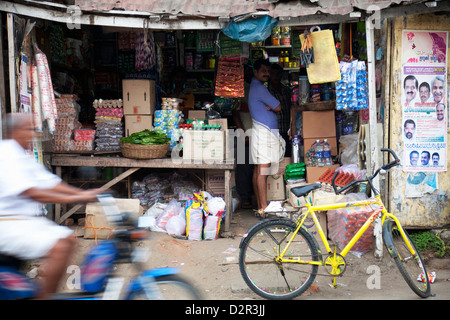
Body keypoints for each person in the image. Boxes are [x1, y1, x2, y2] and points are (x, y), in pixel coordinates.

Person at [0, 113, 102, 299]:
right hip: (7, 223)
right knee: (61, 245)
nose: (33, 134)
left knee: (68, 239)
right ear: (15, 131)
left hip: (22, 222)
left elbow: (49, 182)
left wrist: (82, 194)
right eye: (29, 130)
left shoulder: (22, 155)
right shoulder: (6, 154)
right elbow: (31, 191)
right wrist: (75, 198)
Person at [248, 59, 285, 217]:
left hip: (261, 132)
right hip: (264, 133)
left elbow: (274, 106)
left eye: (267, 71)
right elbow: (278, 106)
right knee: (262, 171)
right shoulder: (259, 88)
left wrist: (270, 107)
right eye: (262, 70)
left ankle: (261, 206)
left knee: (258, 171)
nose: (266, 73)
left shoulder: (256, 87)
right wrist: (271, 107)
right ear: (255, 72)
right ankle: (264, 208)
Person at [232, 63, 255, 209]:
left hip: (257, 134)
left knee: (255, 167)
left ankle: (253, 197)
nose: (247, 73)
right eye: (245, 71)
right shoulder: (240, 91)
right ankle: (245, 198)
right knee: (243, 167)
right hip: (245, 133)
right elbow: (235, 113)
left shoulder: (257, 88)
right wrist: (241, 131)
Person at [268, 63, 292, 157]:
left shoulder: (287, 90)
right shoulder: (267, 91)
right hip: (274, 130)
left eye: (278, 74)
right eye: (273, 73)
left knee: (287, 154)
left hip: (287, 130)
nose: (275, 76)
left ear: (281, 75)